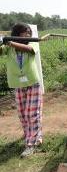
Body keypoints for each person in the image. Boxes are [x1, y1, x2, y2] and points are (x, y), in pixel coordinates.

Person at [0, 23, 43, 157]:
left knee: (32, 113)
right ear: (17, 34)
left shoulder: (32, 43)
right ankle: (31, 136)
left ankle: (31, 144)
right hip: (18, 84)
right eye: (25, 33)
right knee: (23, 115)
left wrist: (9, 42)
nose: (28, 35)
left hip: (32, 82)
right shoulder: (8, 48)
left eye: (29, 33)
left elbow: (29, 49)